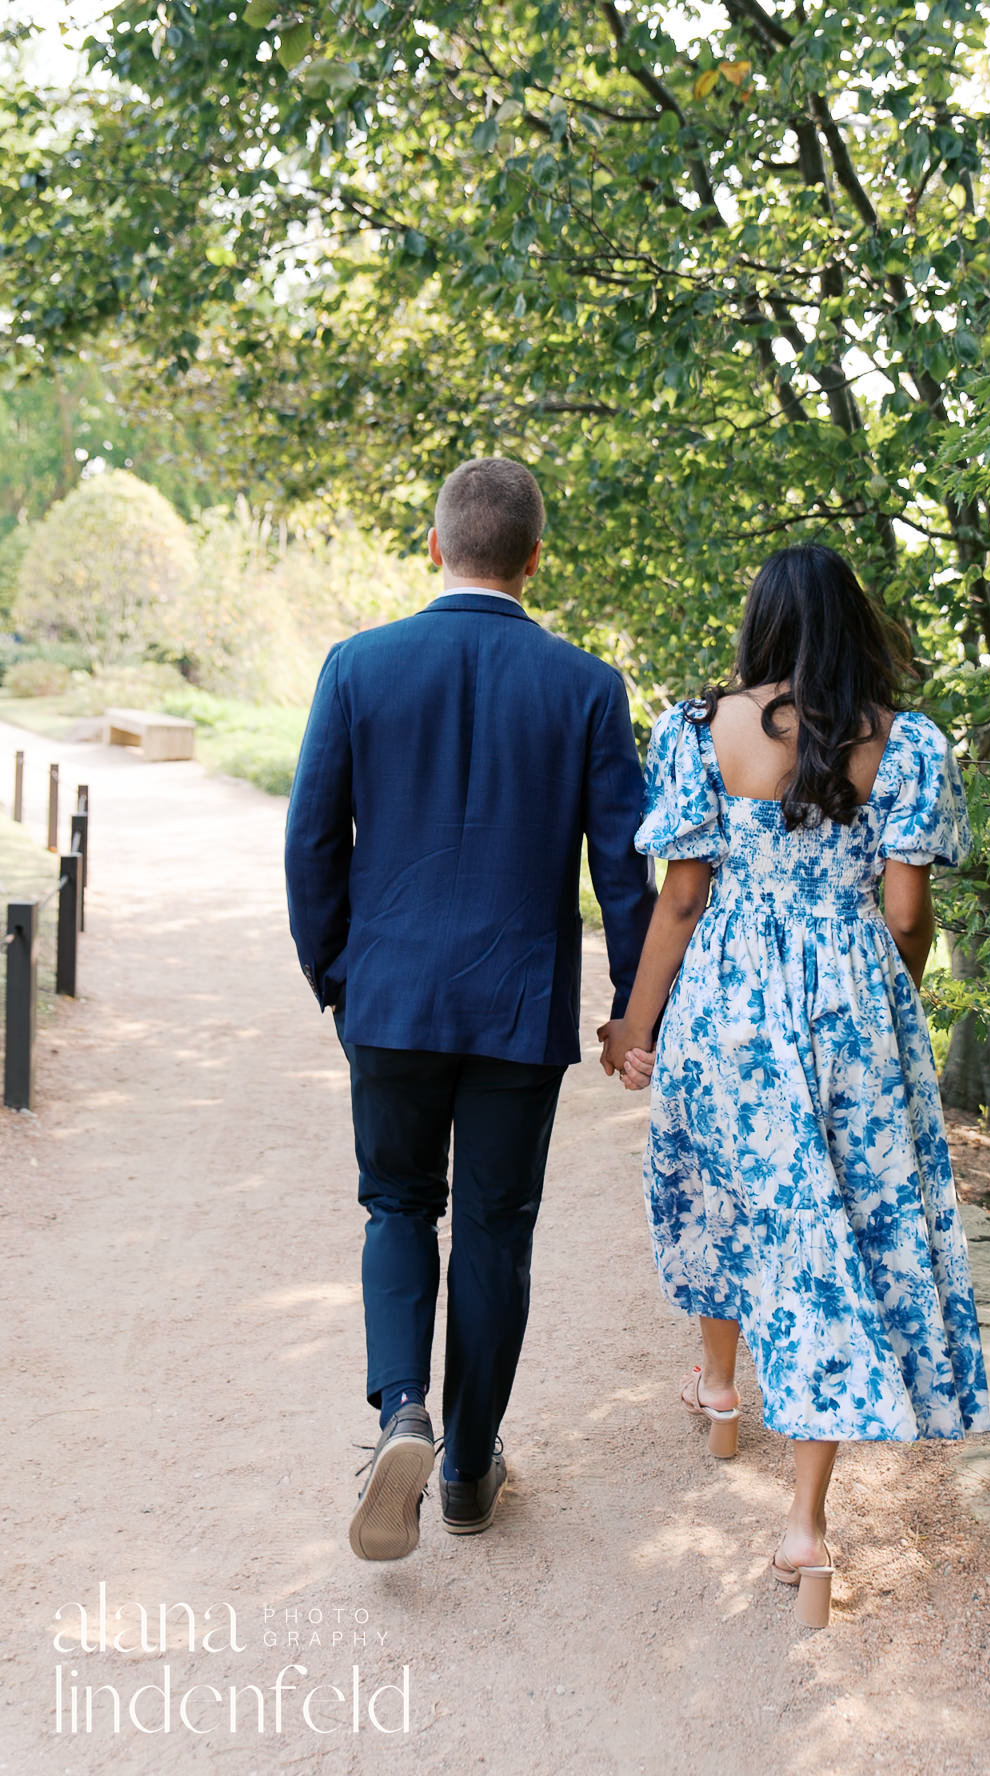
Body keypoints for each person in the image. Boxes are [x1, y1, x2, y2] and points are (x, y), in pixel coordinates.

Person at [599, 543, 990, 1629]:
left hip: (725, 997)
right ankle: (806, 1531)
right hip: (849, 1005)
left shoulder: (694, 729)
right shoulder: (904, 742)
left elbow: (678, 899)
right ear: (856, 625)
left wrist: (635, 1025)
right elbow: (907, 915)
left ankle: (720, 1392)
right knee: (828, 1243)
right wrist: (880, 998)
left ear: (761, 621)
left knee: (728, 1192)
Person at [285, 458, 654, 1560]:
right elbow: (622, 871)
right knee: (496, 1230)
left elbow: (312, 840)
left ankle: (402, 1406)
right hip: (515, 1005)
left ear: (434, 545)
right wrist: (634, 1012)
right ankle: (467, 1467)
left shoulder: (357, 664)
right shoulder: (587, 686)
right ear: (535, 558)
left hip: (389, 996)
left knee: (397, 1205)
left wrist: (337, 975)